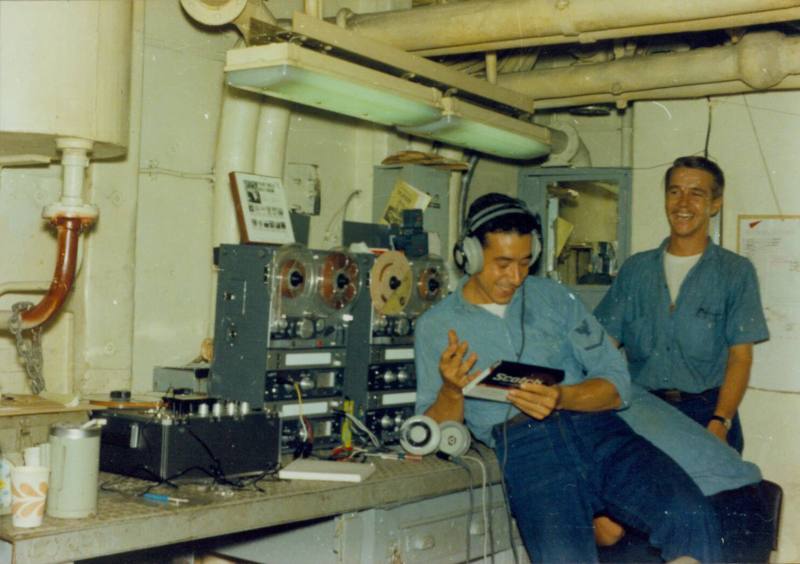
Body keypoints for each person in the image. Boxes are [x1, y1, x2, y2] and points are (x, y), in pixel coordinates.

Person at [415, 193, 722, 563]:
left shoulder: (555, 298)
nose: (516, 277)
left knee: (691, 517)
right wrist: (451, 389)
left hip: (599, 432)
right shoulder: (435, 326)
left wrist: (562, 397)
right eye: (502, 263)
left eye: (526, 262)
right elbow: (434, 434)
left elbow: (615, 382)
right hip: (528, 451)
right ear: (470, 255)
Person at [595, 156, 769, 453]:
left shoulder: (735, 272)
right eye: (675, 192)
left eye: (696, 193)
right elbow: (602, 345)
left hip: (706, 414)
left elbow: (740, 358)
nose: (683, 203)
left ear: (715, 204)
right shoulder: (636, 269)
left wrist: (721, 420)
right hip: (642, 412)